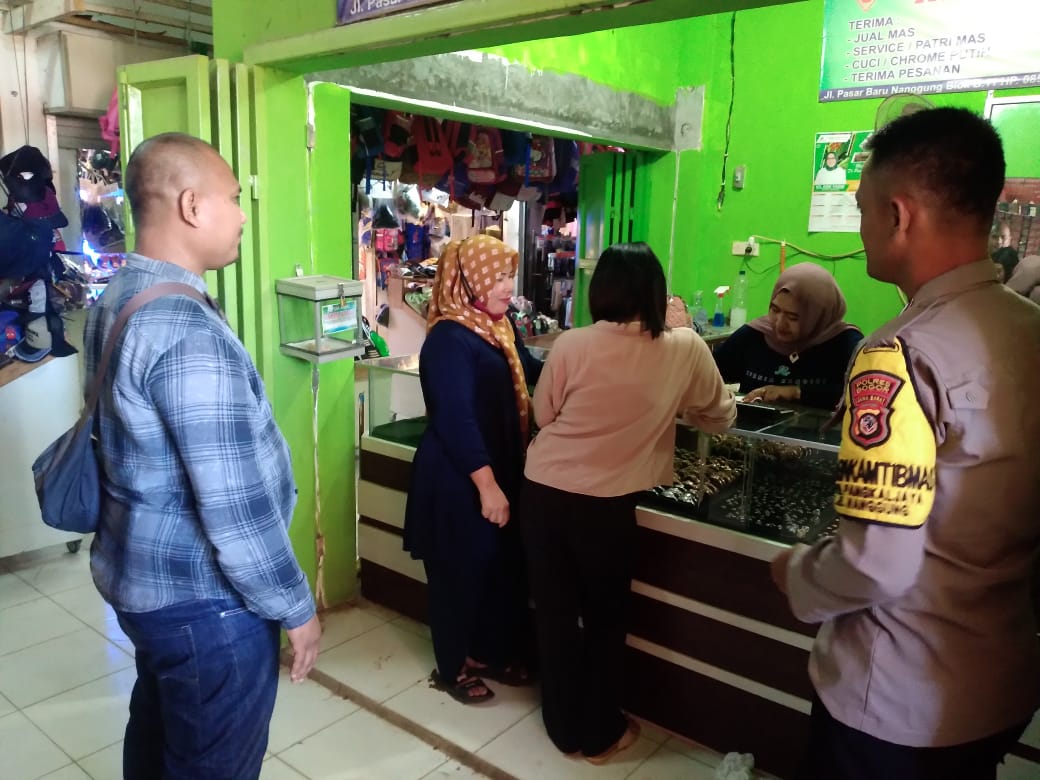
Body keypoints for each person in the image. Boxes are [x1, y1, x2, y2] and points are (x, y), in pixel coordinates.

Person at [771, 107, 1040, 780]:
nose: (860, 228)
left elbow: (876, 565)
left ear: (897, 215)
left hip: (893, 701)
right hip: (1000, 684)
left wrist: (798, 574)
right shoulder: (1029, 329)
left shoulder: (898, 356)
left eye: (862, 209)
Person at [85, 132, 320, 780]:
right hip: (206, 606)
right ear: (192, 205)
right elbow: (236, 508)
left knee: (158, 739)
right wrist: (296, 608)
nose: (243, 214)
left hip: (142, 583)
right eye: (234, 198)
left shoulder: (118, 297)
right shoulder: (185, 330)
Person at [520, 242, 736, 764]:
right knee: (605, 618)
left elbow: (543, 416)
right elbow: (722, 415)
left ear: (601, 292)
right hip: (607, 507)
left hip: (544, 492)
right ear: (657, 293)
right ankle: (599, 735)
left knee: (554, 615)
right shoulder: (685, 348)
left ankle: (563, 729)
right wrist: (676, 410)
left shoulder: (572, 343)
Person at [403, 234, 542, 705]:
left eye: (510, 276)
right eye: (498, 277)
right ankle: (452, 665)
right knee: (457, 573)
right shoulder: (449, 338)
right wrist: (487, 486)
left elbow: (531, 371)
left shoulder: (499, 327)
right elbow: (455, 417)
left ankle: (484, 653)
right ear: (470, 280)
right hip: (458, 476)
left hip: (495, 468)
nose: (508, 287)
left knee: (495, 569)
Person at [712, 263, 862, 409]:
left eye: (793, 317)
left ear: (818, 315)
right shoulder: (755, 334)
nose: (780, 324)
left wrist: (796, 392)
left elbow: (860, 393)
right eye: (775, 310)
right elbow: (710, 373)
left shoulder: (845, 343)